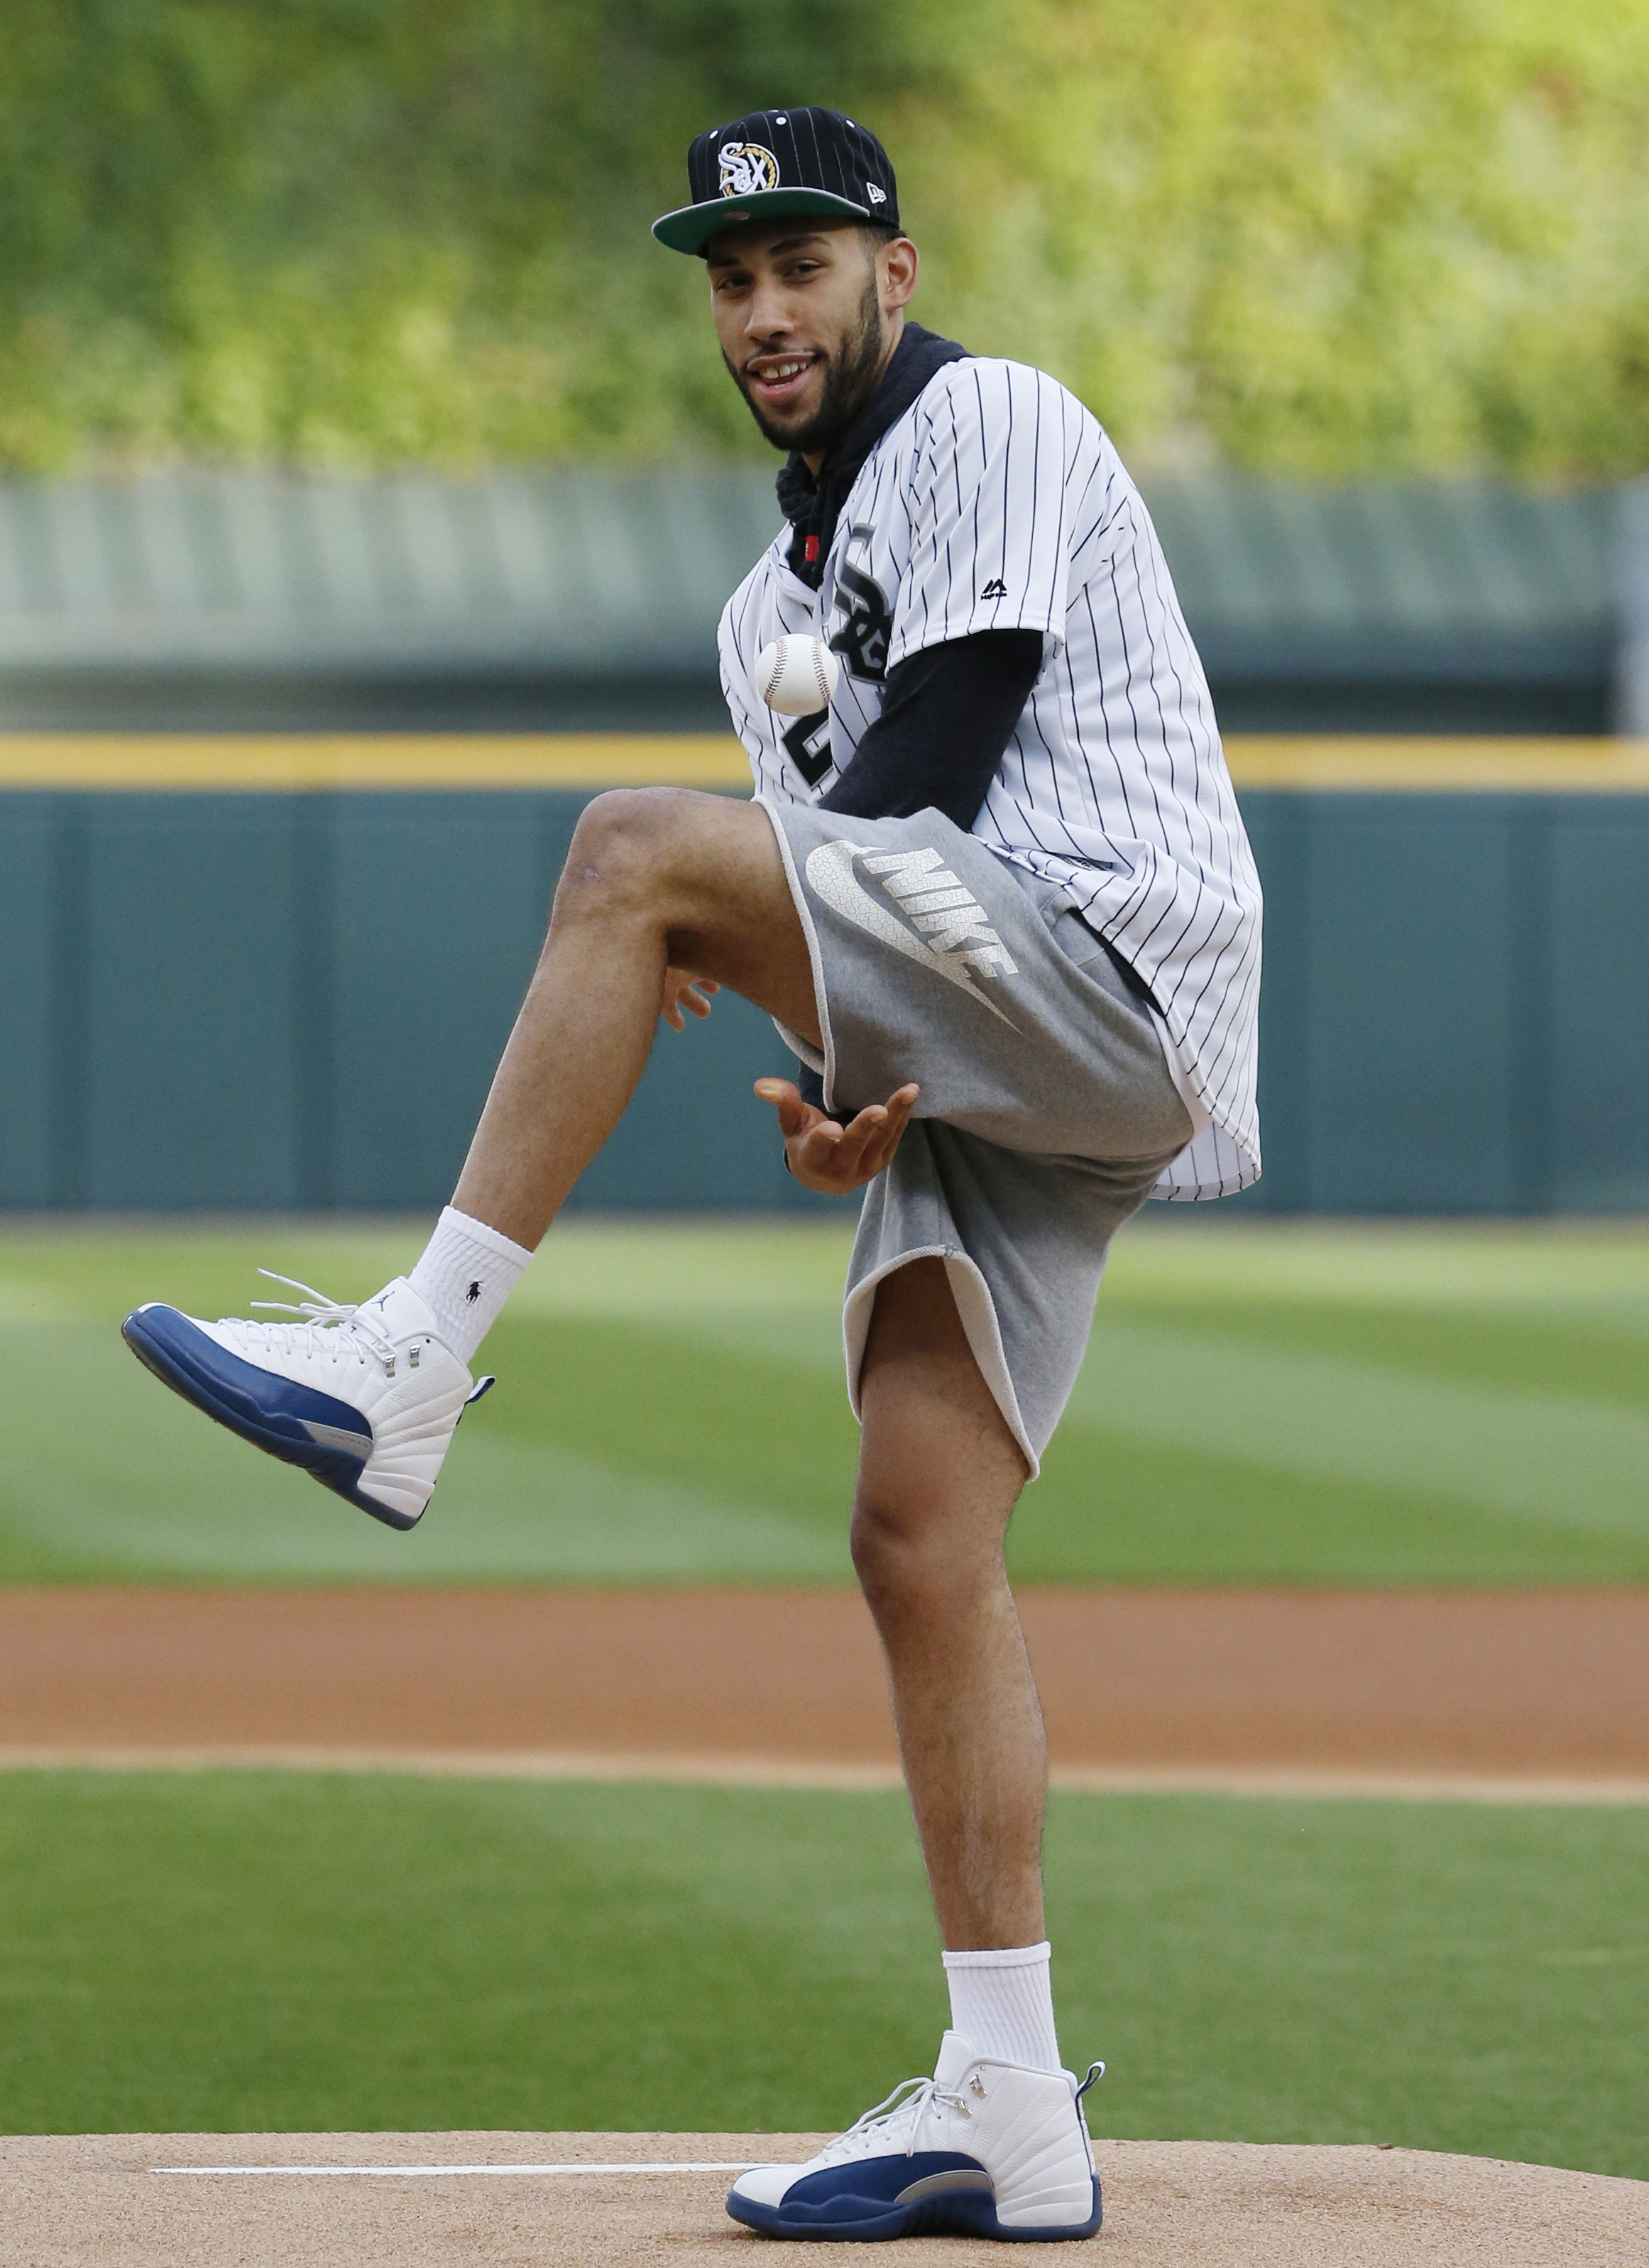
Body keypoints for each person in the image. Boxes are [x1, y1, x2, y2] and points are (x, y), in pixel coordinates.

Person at [123, 107, 1262, 2243]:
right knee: (918, 1525)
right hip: (990, 1029)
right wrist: (855, 1083)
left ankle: (413, 1364)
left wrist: (785, 952)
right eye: (729, 274)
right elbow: (862, 922)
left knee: (625, 852)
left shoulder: (990, 417)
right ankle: (1009, 2104)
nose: (760, 307)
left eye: (800, 261)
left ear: (889, 276)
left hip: (1114, 964)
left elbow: (939, 753)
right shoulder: (761, 611)